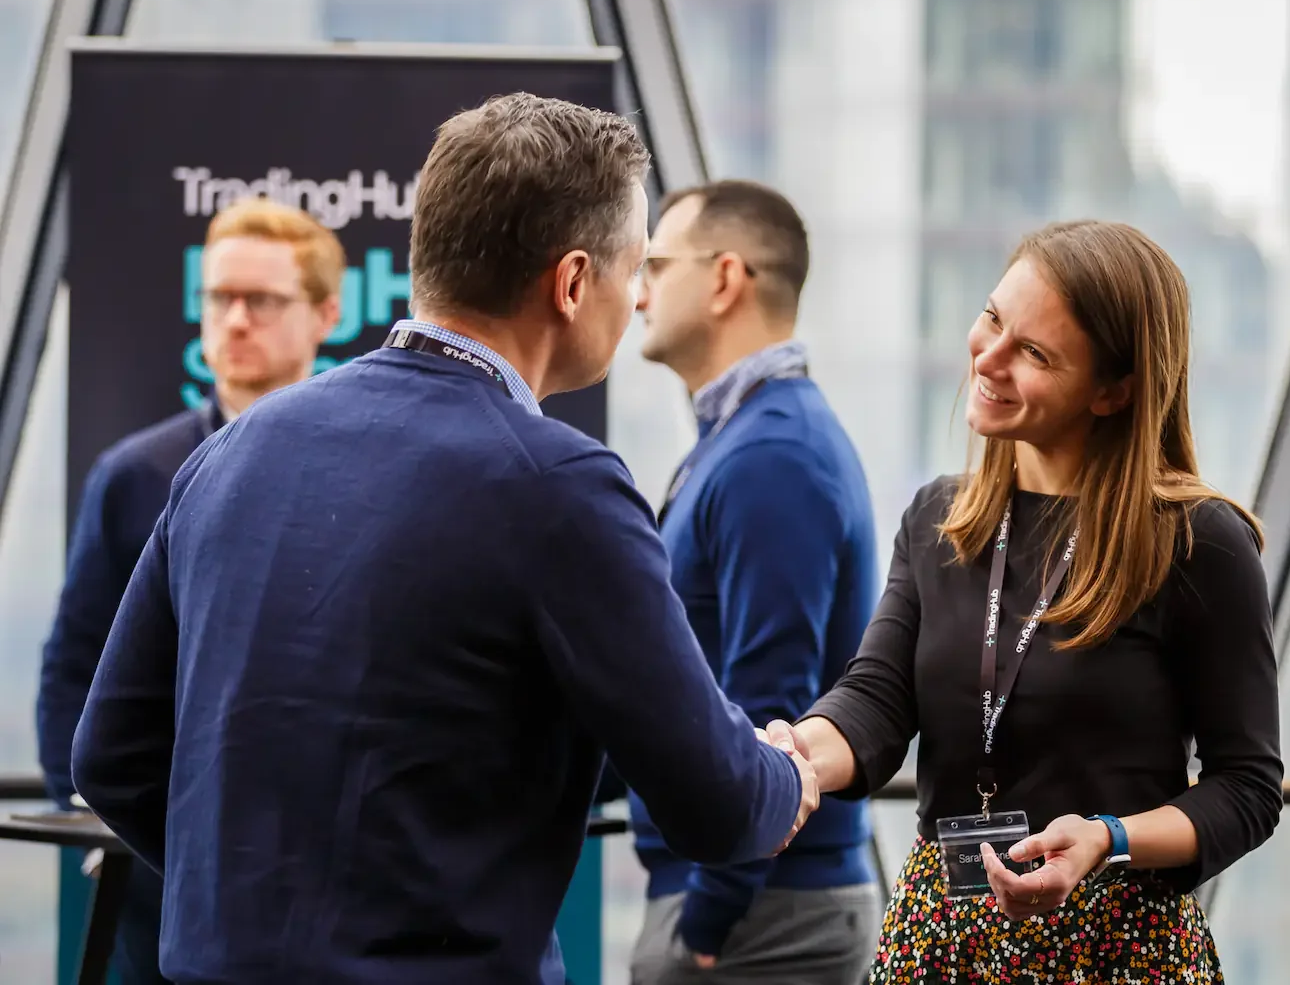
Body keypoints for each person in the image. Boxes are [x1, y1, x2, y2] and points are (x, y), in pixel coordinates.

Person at [70, 92, 818, 985]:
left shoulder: (235, 449)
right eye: (631, 268)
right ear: (574, 283)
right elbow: (717, 803)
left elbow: (110, 755)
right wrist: (786, 776)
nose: (639, 295)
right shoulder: (561, 486)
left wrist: (249, 895)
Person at [791, 220, 1284, 981]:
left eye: (1034, 353)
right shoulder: (939, 519)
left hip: (1116, 951)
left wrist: (1106, 839)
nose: (987, 359)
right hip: (940, 940)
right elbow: (877, 699)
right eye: (992, 319)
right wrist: (798, 757)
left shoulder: (1197, 542)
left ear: (1113, 392)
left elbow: (1247, 789)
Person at [36, 197, 343, 984]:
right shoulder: (138, 474)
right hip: (164, 861)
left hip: (335, 861)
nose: (234, 320)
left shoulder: (366, 470)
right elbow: (75, 663)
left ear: (325, 314)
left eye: (261, 300)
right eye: (217, 298)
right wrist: (96, 824)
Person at [627, 180, 882, 984]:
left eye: (657, 265)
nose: (638, 294)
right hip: (751, 898)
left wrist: (710, 918)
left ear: (725, 277)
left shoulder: (774, 456)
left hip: (760, 913)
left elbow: (772, 692)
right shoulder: (747, 441)